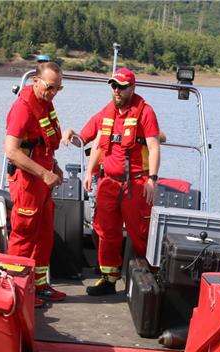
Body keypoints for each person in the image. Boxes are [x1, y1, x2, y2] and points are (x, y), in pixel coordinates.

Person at [63, 68, 161, 296]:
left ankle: (151, 281)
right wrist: (69, 133)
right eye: (114, 86)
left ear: (132, 88)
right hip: (108, 183)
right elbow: (83, 139)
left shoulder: (146, 112)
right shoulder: (106, 113)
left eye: (122, 87)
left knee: (141, 234)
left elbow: (154, 147)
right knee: (106, 233)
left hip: (136, 184)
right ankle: (108, 279)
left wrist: (152, 180)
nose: (117, 90)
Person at [4, 61, 67, 305]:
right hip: (27, 182)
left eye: (58, 89)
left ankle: (40, 286)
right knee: (24, 234)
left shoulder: (45, 104)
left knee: (44, 234)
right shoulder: (23, 108)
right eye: (50, 87)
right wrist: (43, 173)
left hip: (43, 180)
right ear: (36, 81)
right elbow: (12, 151)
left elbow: (43, 144)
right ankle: (16, 291)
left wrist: (55, 166)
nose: (53, 93)